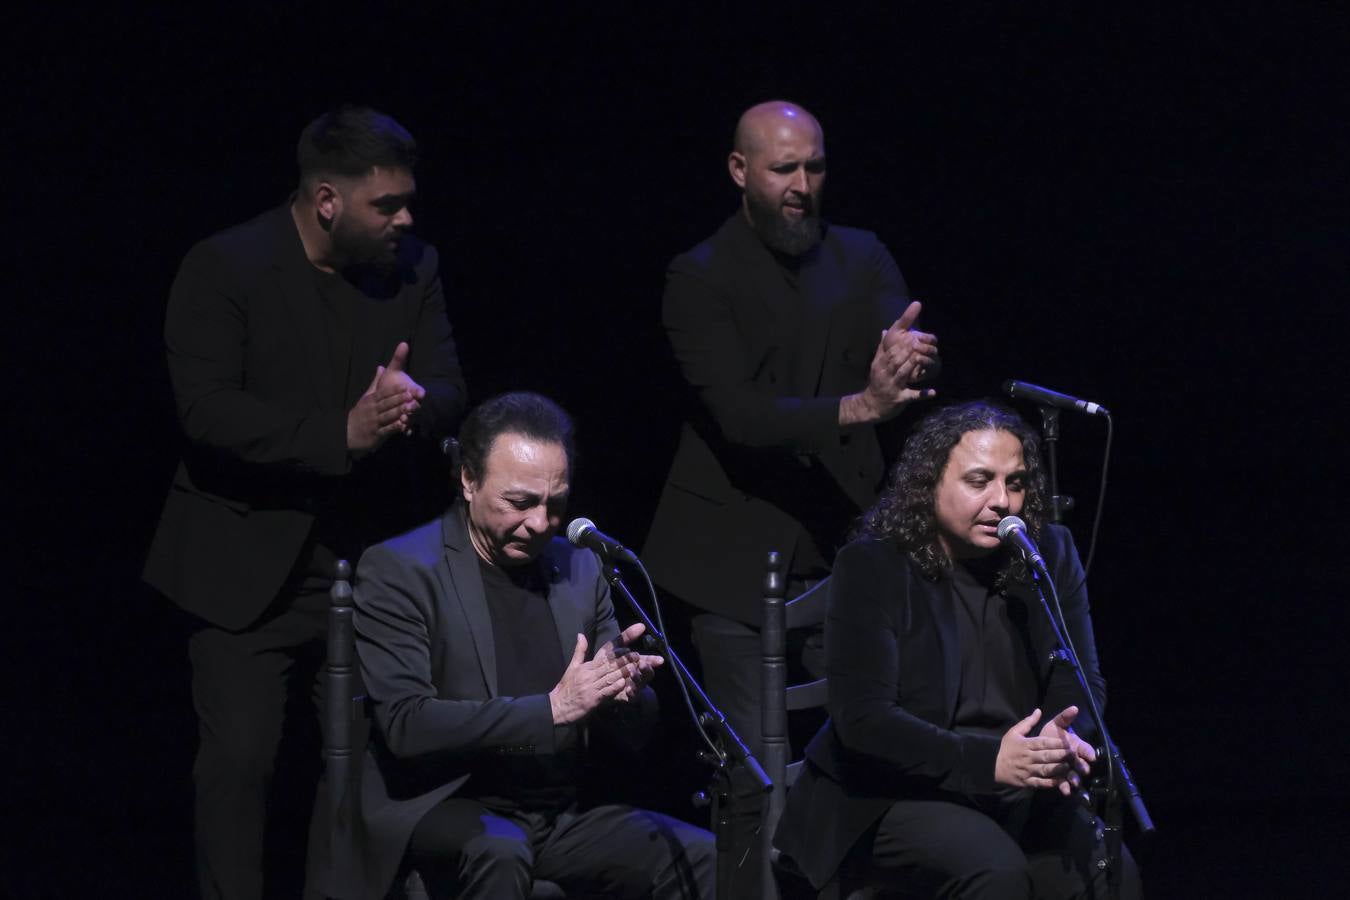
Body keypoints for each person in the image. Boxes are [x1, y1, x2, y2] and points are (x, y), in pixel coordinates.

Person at [142, 106, 467, 899]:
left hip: (367, 566)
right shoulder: (226, 267)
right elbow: (208, 412)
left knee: (362, 770)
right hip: (247, 569)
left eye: (406, 201)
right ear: (327, 200)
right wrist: (341, 434)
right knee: (240, 768)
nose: (405, 218)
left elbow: (451, 389)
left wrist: (411, 406)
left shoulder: (413, 267)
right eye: (385, 205)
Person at [643, 99, 940, 759]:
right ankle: (755, 862)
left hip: (838, 543)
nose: (802, 187)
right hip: (730, 561)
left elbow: (906, 337)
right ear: (739, 169)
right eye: (784, 170)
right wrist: (862, 406)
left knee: (886, 737)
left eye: (815, 168)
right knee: (758, 767)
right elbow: (740, 416)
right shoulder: (698, 276)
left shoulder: (861, 255)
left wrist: (912, 356)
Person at [351, 392, 716, 900]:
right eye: (520, 503)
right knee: (500, 850)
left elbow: (633, 736)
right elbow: (407, 725)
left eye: (556, 504)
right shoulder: (402, 569)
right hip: (442, 802)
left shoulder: (580, 567)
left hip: (554, 814)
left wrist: (624, 694)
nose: (542, 522)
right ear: (468, 480)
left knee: (700, 856)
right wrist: (551, 711)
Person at [774, 401, 1142, 899]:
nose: (1002, 501)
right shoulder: (875, 564)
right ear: (930, 485)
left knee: (1108, 869)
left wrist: (1062, 738)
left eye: (1014, 482)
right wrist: (990, 762)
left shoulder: (1047, 552)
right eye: (979, 480)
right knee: (994, 871)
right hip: (890, 794)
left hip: (1017, 791)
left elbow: (1080, 676)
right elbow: (864, 720)